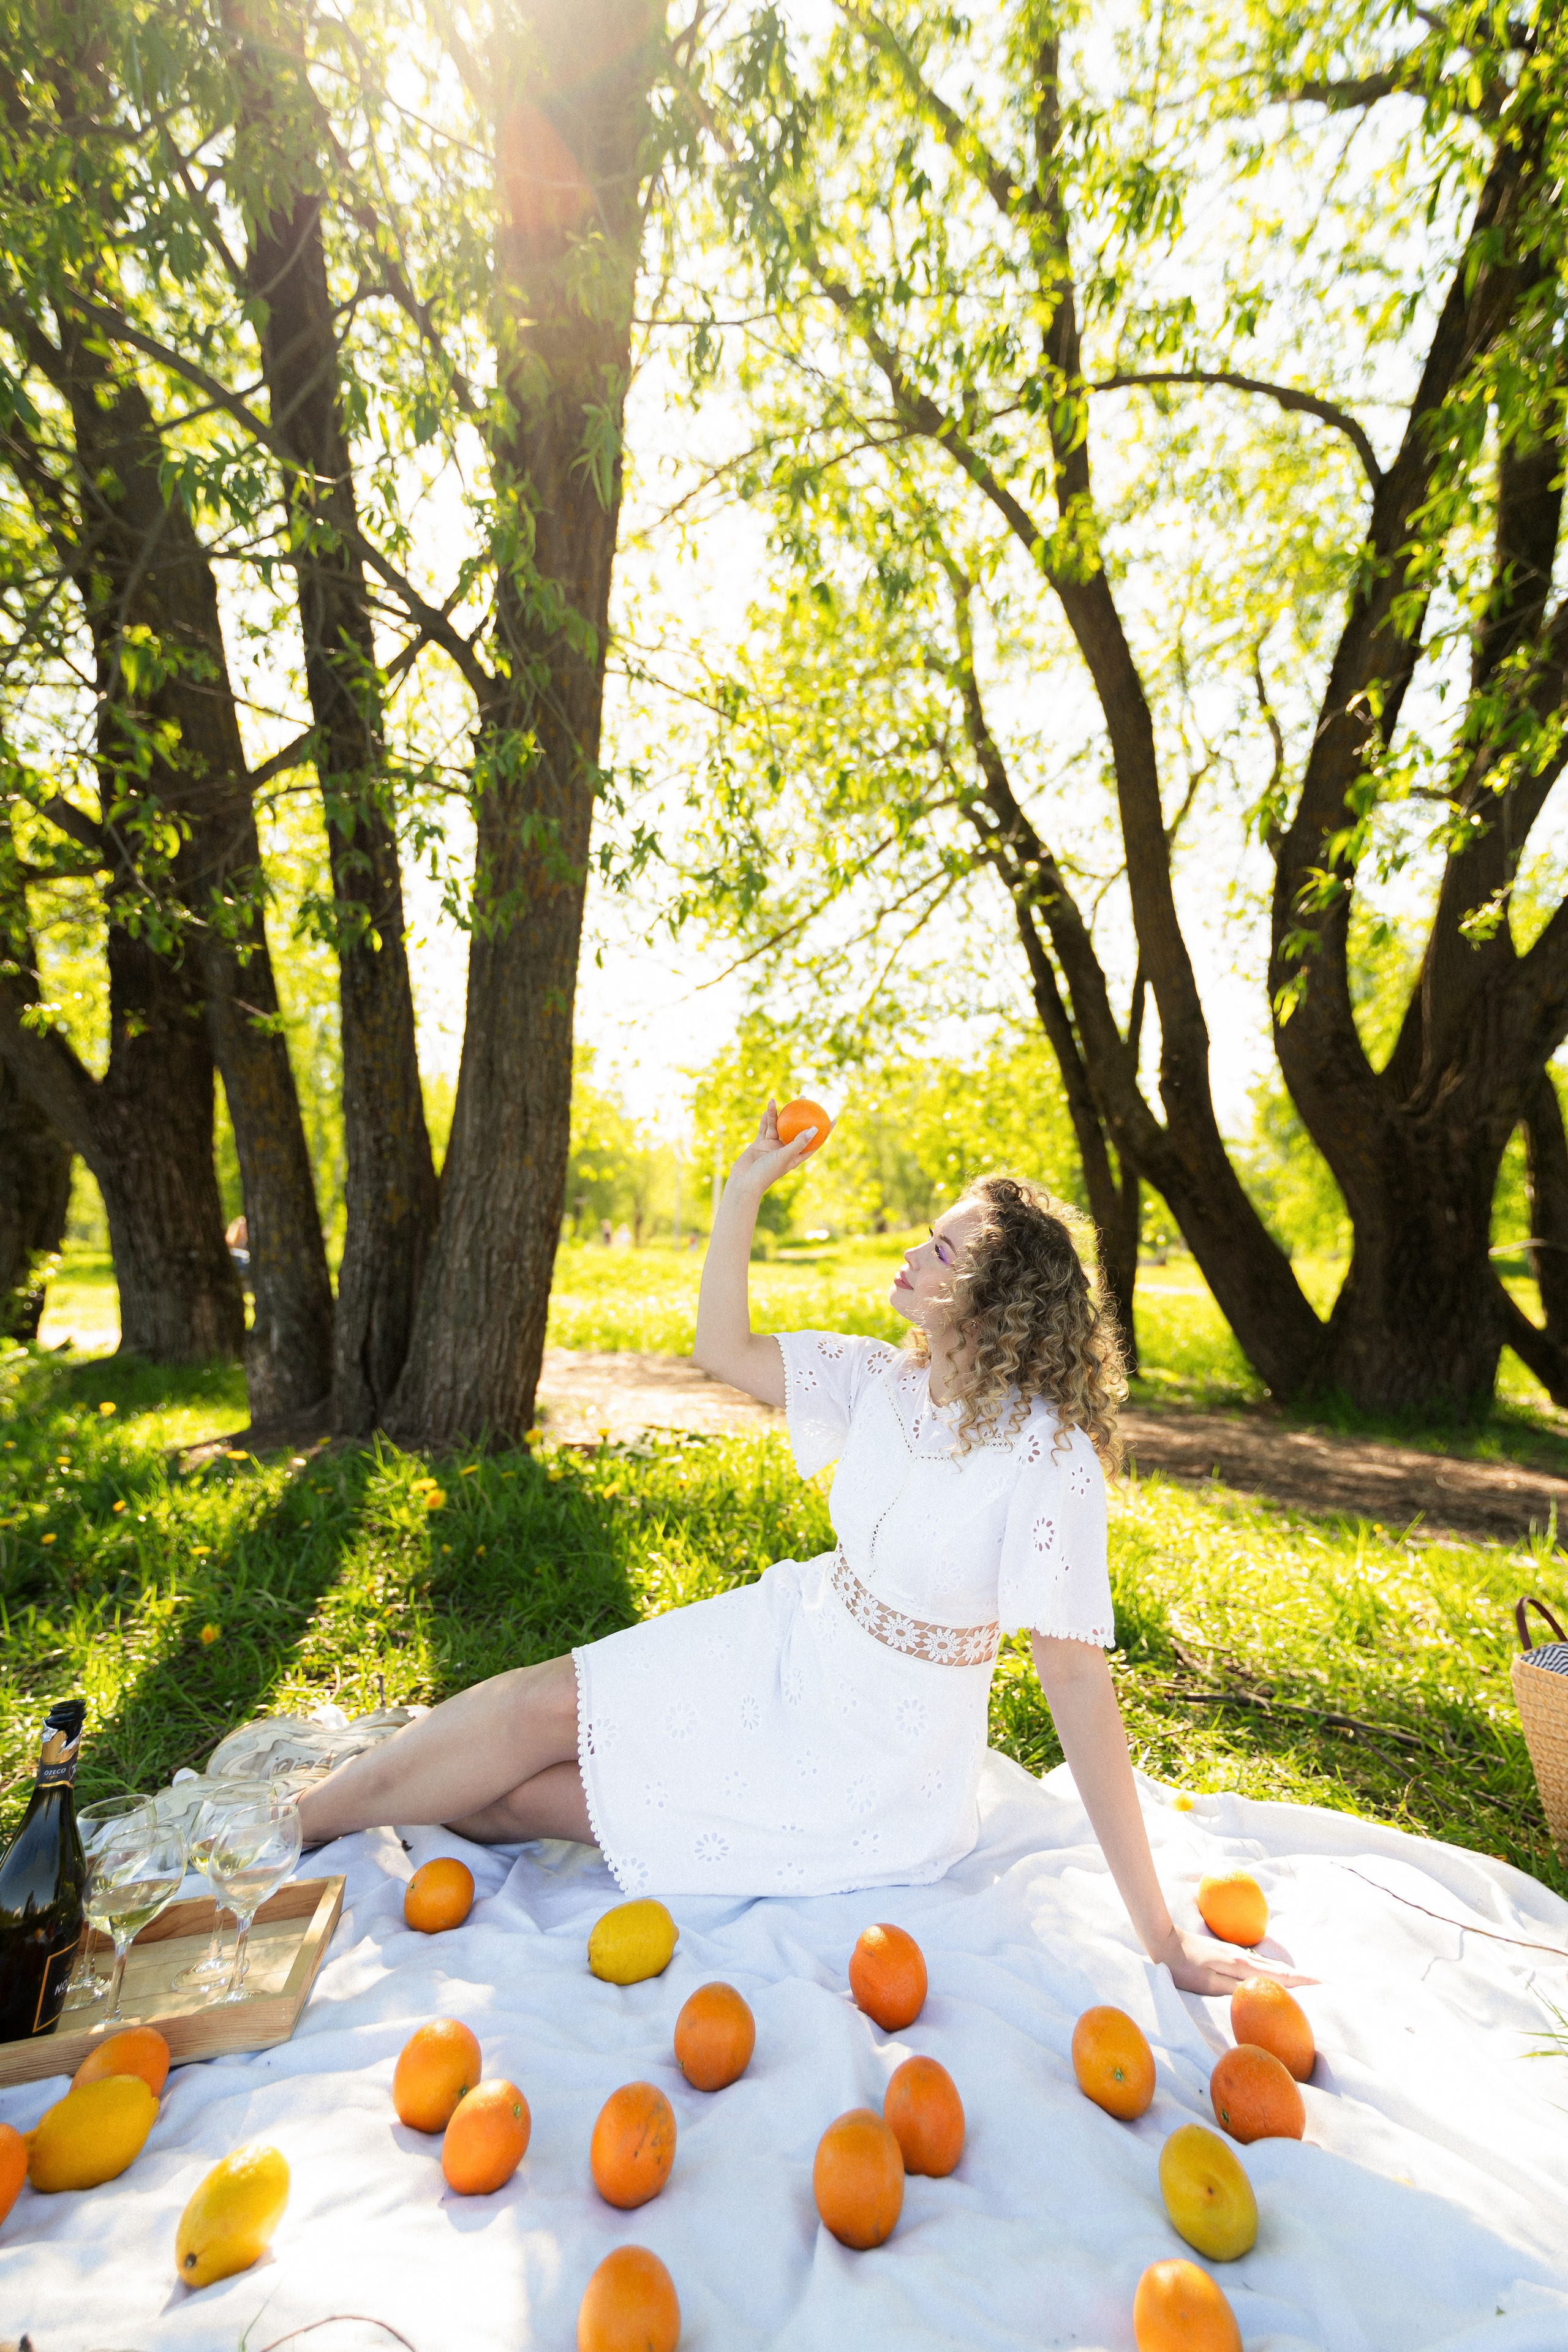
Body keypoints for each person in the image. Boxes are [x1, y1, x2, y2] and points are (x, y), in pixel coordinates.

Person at [297, 1104, 1287, 1994]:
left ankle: (367, 1784)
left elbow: (1074, 1680)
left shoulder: (1047, 1458)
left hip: (870, 1763)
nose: (914, 1253)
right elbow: (722, 1350)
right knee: (533, 1707)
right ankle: (298, 1819)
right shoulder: (878, 1381)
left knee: (508, 1807)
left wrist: (1164, 1939)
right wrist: (743, 1192)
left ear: (996, 1299)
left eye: (943, 1249)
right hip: (784, 1643)